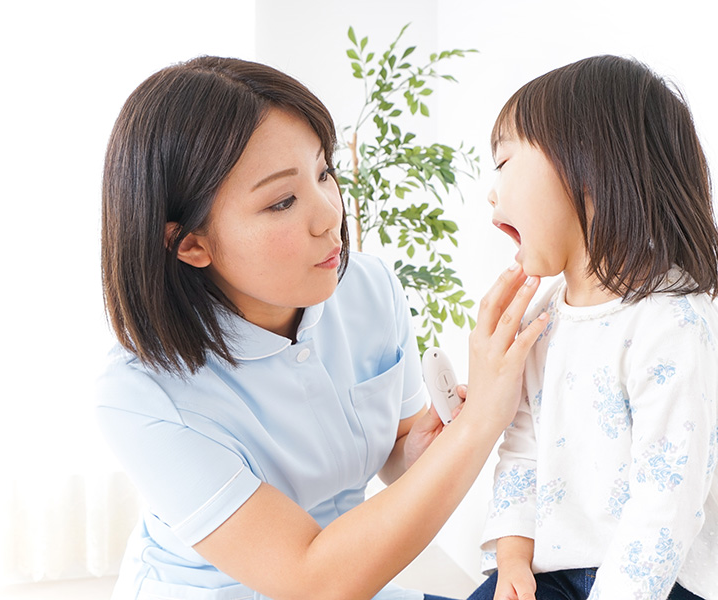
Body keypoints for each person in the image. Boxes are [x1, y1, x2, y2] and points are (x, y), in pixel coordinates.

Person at [97, 56, 547, 600]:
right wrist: (482, 421)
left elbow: (398, 448)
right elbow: (312, 580)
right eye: (282, 201)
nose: (328, 214)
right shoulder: (141, 392)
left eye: (324, 172)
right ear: (189, 243)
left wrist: (424, 449)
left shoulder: (367, 288)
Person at [472, 55, 718, 600]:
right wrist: (513, 559)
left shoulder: (672, 324)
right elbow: (522, 446)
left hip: (681, 573)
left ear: (584, 165)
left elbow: (666, 503)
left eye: (503, 163)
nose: (490, 193)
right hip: (566, 567)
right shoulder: (545, 315)